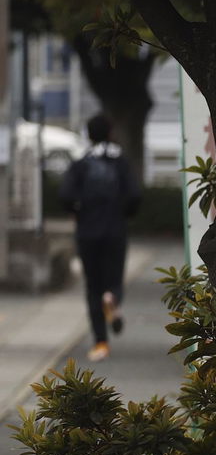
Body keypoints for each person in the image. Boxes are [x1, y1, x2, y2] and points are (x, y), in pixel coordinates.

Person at [59, 114, 140, 361]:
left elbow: (64, 196)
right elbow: (135, 196)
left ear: (89, 134)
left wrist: (79, 212)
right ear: (111, 133)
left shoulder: (81, 164)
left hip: (87, 233)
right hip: (115, 230)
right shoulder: (121, 164)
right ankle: (112, 298)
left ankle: (101, 343)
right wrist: (124, 213)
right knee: (113, 278)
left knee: (92, 285)